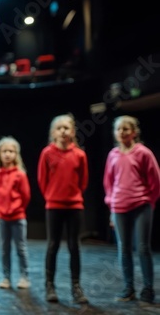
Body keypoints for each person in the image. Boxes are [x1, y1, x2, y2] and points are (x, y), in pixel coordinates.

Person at [103, 115, 160, 303]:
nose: (122, 132)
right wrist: (112, 206)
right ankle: (128, 287)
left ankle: (148, 289)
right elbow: (109, 183)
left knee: (142, 247)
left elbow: (155, 180)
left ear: (134, 132)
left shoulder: (143, 153)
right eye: (118, 129)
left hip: (141, 205)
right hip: (119, 207)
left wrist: (149, 200)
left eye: (126, 129)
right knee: (124, 248)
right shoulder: (113, 155)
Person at [37, 113, 89, 304]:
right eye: (59, 128)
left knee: (74, 246)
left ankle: (76, 287)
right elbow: (43, 181)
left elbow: (83, 182)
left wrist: (73, 196)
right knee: (53, 245)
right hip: (54, 206)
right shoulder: (47, 153)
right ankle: (49, 285)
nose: (63, 131)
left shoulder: (79, 155)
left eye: (67, 127)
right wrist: (53, 196)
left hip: (74, 206)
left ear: (73, 131)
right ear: (54, 132)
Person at [0, 136, 31, 290]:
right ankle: (6, 278)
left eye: (11, 151)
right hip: (2, 218)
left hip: (18, 218)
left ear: (16, 154)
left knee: (21, 248)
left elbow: (26, 196)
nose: (8, 154)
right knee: (4, 249)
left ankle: (24, 277)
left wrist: (18, 209)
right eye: (4, 151)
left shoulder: (20, 174)